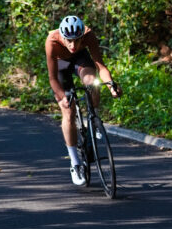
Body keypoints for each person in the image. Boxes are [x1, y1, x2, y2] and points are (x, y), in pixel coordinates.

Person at [45, 15, 122, 186]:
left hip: (81, 59)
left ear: (82, 36)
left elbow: (100, 66)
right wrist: (61, 97)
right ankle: (75, 163)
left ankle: (93, 118)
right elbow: (52, 78)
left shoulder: (89, 35)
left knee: (91, 83)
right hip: (61, 66)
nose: (73, 45)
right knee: (68, 111)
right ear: (62, 37)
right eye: (69, 41)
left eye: (77, 40)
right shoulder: (52, 41)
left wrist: (110, 86)